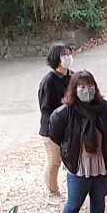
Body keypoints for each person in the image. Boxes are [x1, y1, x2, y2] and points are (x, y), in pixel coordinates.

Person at [46, 69, 107, 213]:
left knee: (98, 199)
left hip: (102, 163)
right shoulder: (65, 113)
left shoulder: (104, 109)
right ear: (74, 88)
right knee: (73, 204)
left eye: (89, 85)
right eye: (81, 86)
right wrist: (68, 152)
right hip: (79, 166)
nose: (86, 89)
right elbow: (55, 133)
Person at [37, 42, 75, 199]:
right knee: (54, 161)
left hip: (69, 127)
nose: (68, 57)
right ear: (55, 58)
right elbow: (45, 108)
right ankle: (53, 192)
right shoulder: (49, 81)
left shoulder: (72, 76)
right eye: (63, 54)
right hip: (51, 129)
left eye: (69, 53)